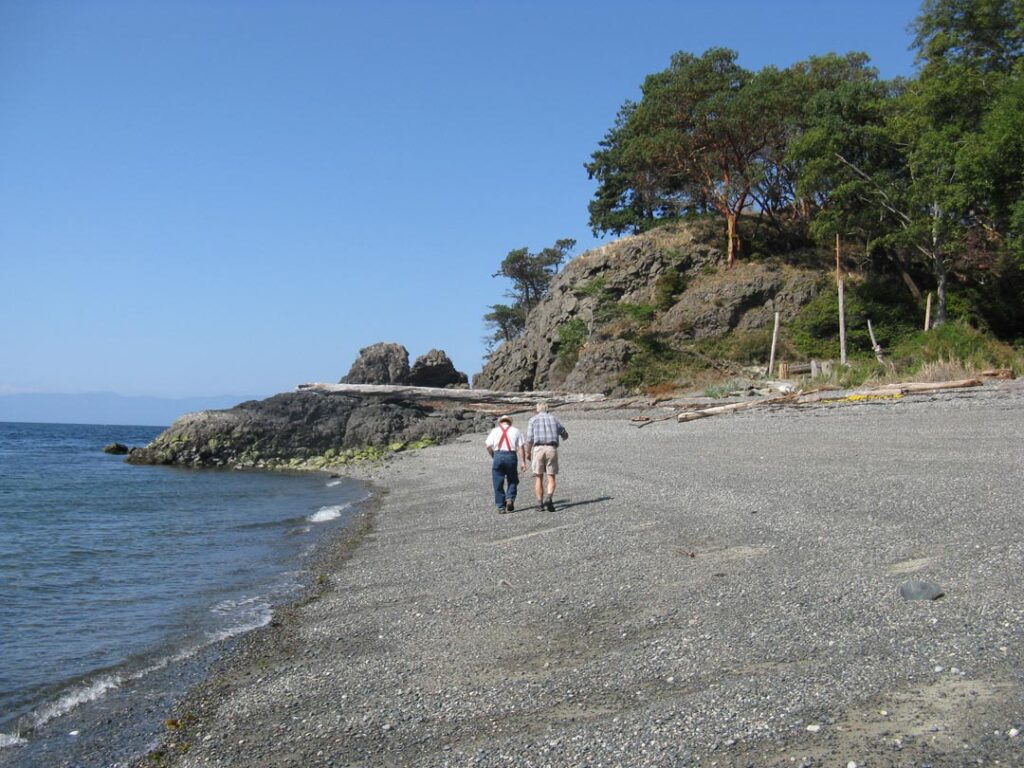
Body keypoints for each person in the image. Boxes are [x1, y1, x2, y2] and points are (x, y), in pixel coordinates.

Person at [525, 401, 568, 512]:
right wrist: (563, 435)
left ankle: (540, 504)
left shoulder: (532, 420)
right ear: (547, 409)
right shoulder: (554, 419)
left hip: (538, 448)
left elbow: (530, 439)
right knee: (551, 476)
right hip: (551, 448)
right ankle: (549, 497)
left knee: (538, 477)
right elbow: (563, 433)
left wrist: (528, 452)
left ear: (537, 409)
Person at [485, 415, 526, 514]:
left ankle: (501, 506)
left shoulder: (494, 431)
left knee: (498, 481)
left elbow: (487, 446)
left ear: (500, 422)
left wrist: (493, 456)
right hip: (511, 455)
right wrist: (523, 461)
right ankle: (510, 498)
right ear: (510, 422)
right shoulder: (516, 431)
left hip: (498, 455)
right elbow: (521, 447)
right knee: (512, 479)